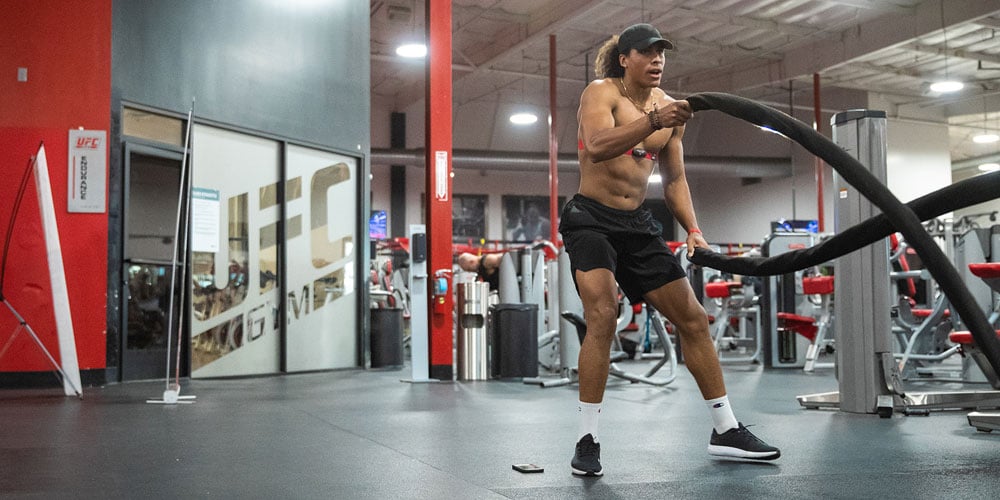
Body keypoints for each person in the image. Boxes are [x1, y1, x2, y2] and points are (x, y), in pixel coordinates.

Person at [560, 23, 780, 477]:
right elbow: (599, 147)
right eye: (647, 52)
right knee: (602, 314)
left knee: (694, 319)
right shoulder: (601, 93)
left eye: (663, 53)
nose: (658, 60)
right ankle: (587, 440)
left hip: (638, 223)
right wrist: (654, 121)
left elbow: (674, 179)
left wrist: (694, 229)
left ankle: (725, 429)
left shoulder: (668, 107)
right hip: (590, 219)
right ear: (625, 58)